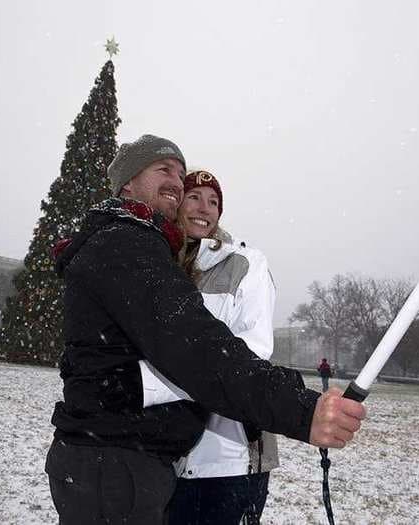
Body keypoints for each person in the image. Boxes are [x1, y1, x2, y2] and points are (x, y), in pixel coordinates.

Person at [44, 135, 366, 524]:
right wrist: (302, 410)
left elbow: (228, 348)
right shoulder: (128, 244)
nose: (178, 184)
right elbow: (196, 348)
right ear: (127, 182)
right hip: (116, 463)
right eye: (165, 170)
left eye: (182, 175)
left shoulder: (198, 255)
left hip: (150, 460)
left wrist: (138, 384)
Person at [135, 169, 279, 524]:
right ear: (177, 202)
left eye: (214, 202)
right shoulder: (157, 263)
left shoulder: (246, 264)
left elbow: (252, 352)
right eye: (195, 196)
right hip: (160, 455)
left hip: (228, 458)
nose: (205, 208)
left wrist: (146, 385)